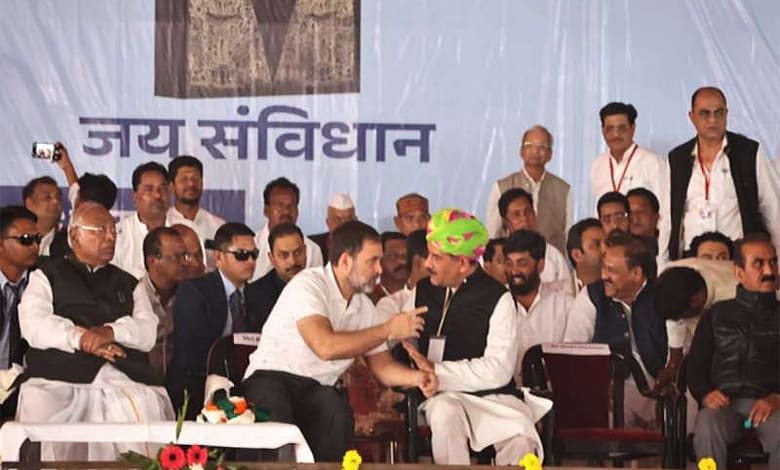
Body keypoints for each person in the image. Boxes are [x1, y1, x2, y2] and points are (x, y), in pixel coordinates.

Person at [241, 220, 434, 461]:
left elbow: (382, 366)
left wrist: (419, 378)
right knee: (275, 413)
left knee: (335, 409)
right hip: (271, 378)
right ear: (345, 261)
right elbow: (325, 346)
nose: (379, 270)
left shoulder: (364, 306)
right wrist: (387, 329)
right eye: (372, 261)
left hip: (316, 389)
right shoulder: (309, 284)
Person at [17, 202, 172, 460]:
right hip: (59, 375)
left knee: (138, 406)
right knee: (42, 405)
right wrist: (81, 338)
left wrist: (109, 332)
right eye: (100, 230)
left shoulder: (128, 282)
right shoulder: (47, 275)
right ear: (74, 235)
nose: (110, 237)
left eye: (113, 231)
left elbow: (147, 331)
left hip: (121, 375)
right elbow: (34, 324)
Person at [402, 209, 548, 464]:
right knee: (445, 413)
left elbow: (498, 369)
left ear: (462, 263)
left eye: (436, 257)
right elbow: (404, 339)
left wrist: (438, 371)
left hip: (494, 398)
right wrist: (410, 363)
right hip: (443, 396)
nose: (427, 264)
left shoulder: (498, 298)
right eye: (428, 255)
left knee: (521, 440)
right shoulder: (422, 290)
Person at [687, 233, 780, 469]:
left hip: (771, 406)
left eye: (773, 262)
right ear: (739, 272)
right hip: (725, 406)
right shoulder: (716, 315)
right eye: (758, 264)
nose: (769, 270)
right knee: (707, 424)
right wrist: (706, 394)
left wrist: (777, 398)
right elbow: (695, 367)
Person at [564, 231, 667, 429]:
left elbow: (680, 350)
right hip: (613, 388)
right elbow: (573, 352)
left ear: (636, 273)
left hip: (658, 385)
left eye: (611, 270)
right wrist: (595, 385)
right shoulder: (592, 296)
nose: (604, 276)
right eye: (603, 268)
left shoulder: (662, 296)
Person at [663, 86, 780, 260]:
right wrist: (663, 264)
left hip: (737, 257)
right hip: (691, 258)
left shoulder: (749, 152)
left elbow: (773, 210)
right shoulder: (677, 159)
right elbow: (667, 218)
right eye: (705, 113)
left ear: (727, 113)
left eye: (719, 113)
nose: (713, 120)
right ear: (692, 117)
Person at [167, 222, 259, 416]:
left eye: (254, 254)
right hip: (199, 380)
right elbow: (190, 352)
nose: (251, 261)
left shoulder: (260, 295)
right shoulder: (194, 290)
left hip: (247, 381)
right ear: (218, 257)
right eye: (242, 255)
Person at [486, 125, 572, 252]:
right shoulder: (501, 187)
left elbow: (568, 236)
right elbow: (493, 234)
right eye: (529, 145)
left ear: (550, 154)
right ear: (521, 151)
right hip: (512, 259)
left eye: (542, 146)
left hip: (551, 260)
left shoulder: (563, 190)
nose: (535, 151)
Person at [507, 230, 573, 382]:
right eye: (509, 263)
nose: (514, 271)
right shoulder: (497, 304)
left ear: (540, 265)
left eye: (522, 263)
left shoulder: (563, 305)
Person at [0, 206, 41, 419]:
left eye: (37, 239)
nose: (35, 246)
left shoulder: (44, 279)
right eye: (26, 240)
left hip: (27, 386)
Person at [590, 102, 668, 204]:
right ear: (603, 131)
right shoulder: (597, 165)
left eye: (622, 128)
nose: (616, 134)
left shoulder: (653, 162)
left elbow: (665, 208)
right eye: (610, 129)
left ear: (632, 128)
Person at [497, 188, 572, 292]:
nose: (525, 218)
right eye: (517, 214)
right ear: (506, 223)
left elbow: (567, 293)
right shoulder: (497, 256)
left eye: (528, 212)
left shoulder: (553, 256)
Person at [251, 177, 323, 281]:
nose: (286, 212)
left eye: (291, 206)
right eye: (280, 206)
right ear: (266, 210)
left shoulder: (312, 250)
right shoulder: (253, 246)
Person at [140, 227, 189, 375]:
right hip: (143, 380)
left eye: (185, 256)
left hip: (182, 379)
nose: (184, 263)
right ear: (152, 261)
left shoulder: (191, 295)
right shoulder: (134, 296)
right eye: (175, 257)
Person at [113, 162, 172, 278]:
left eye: (163, 189)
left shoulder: (186, 230)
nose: (157, 195)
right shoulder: (118, 236)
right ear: (135, 197)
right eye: (149, 189)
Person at [244, 222, 307, 331]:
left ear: (305, 251)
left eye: (297, 253)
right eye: (284, 255)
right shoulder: (255, 295)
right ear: (272, 258)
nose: (292, 261)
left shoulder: (320, 285)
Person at [49, 172, 118, 259]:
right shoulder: (85, 204)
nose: (75, 195)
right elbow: (72, 182)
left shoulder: (94, 247)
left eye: (78, 192)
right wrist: (66, 166)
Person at [166, 155, 226, 246]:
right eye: (184, 179)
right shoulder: (163, 223)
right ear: (171, 186)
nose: (191, 184)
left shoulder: (218, 226)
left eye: (195, 179)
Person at [308, 193, 356, 262]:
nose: (343, 225)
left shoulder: (365, 245)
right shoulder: (311, 244)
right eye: (338, 219)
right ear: (328, 222)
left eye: (349, 219)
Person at [21, 176, 62, 257]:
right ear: (28, 204)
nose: (56, 201)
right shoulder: (12, 242)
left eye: (58, 197)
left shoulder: (71, 244)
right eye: (47, 197)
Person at [566, 218, 605, 292]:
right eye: (597, 244)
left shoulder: (618, 292)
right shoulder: (555, 294)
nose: (605, 250)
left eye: (608, 244)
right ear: (576, 255)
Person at [369, 232, 408, 303]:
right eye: (394, 256)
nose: (403, 261)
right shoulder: (368, 299)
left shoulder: (421, 294)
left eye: (406, 255)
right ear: (379, 260)